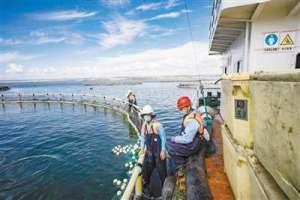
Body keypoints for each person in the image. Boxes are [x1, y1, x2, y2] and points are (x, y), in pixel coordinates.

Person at [167, 96, 208, 173]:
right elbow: (203, 123)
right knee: (171, 141)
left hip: (193, 145)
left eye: (182, 108)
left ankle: (181, 166)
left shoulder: (192, 120)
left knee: (168, 145)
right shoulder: (194, 114)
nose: (181, 110)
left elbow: (187, 139)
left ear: (188, 106)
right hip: (196, 141)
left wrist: (174, 138)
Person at [139, 105, 167, 193]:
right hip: (150, 153)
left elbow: (163, 138)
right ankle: (146, 187)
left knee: (162, 172)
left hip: (159, 153)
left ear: (151, 115)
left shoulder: (158, 125)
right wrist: (142, 148)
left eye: (147, 114)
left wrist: (163, 150)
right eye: (144, 115)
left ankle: (165, 189)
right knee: (146, 172)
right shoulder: (144, 126)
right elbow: (143, 137)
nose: (146, 116)